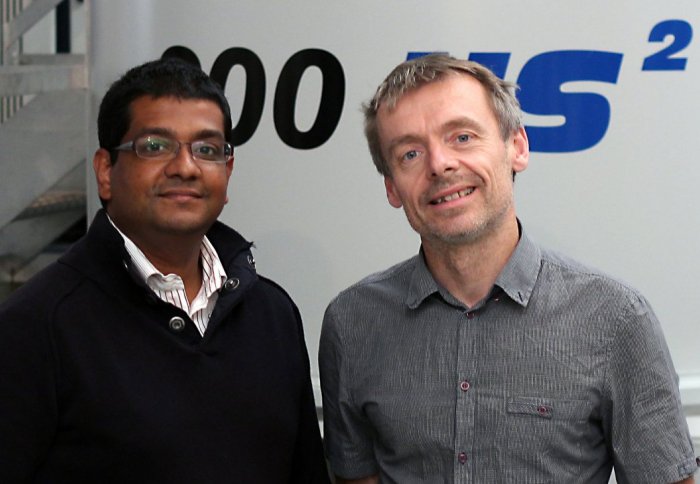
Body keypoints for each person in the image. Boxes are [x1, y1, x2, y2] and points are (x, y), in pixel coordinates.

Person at [319, 54, 697, 483]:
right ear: (391, 186)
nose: (440, 164)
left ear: (517, 147)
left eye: (462, 137)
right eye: (409, 153)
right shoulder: (351, 324)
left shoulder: (616, 319)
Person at [0, 58, 330, 483]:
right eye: (155, 146)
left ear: (227, 173)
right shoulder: (36, 326)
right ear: (105, 171)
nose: (185, 167)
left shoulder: (272, 314)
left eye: (207, 149)